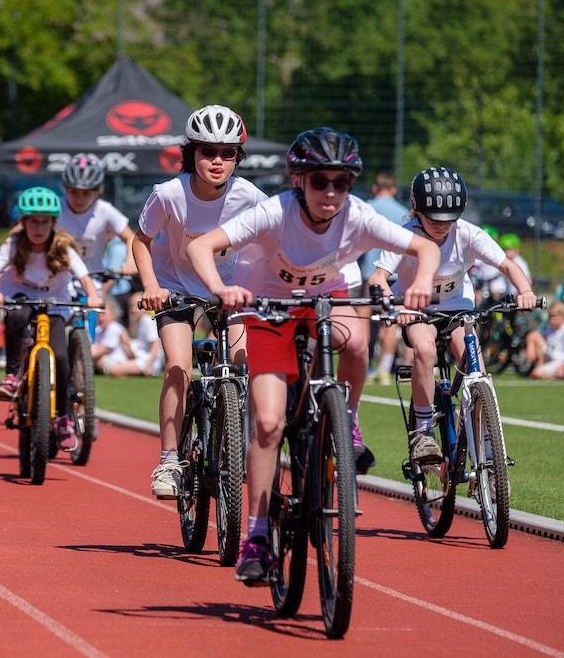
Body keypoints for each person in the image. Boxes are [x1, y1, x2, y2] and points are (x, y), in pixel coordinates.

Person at [186, 127, 440, 585]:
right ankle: (258, 537)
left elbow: (424, 245)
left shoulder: (357, 215)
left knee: (358, 341)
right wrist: (223, 289)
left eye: (341, 182)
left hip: (323, 300)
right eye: (319, 180)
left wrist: (421, 281)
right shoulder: (273, 213)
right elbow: (200, 245)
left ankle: (348, 422)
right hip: (267, 307)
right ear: (298, 179)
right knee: (266, 423)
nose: (330, 192)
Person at [133, 104, 269, 499]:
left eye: (228, 154)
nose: (217, 161)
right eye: (207, 151)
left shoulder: (250, 196)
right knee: (178, 367)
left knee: (244, 368)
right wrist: (150, 285)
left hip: (230, 290)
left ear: (237, 159)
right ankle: (169, 459)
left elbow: (272, 242)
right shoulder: (168, 195)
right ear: (190, 153)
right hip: (176, 287)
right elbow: (140, 241)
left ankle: (231, 439)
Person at [370, 166, 537, 464]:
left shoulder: (468, 234)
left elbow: (508, 266)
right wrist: (393, 307)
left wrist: (525, 291)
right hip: (417, 310)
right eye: (433, 218)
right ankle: (422, 431)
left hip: (457, 309)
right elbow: (378, 277)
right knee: (424, 348)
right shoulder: (404, 236)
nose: (441, 226)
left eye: (448, 219)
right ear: (416, 209)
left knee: (477, 369)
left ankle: (485, 443)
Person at [0, 186, 101, 451]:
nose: (39, 227)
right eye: (33, 221)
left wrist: (93, 296)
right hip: (20, 296)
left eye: (44, 222)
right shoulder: (13, 244)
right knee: (16, 316)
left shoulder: (62, 245)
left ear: (53, 223)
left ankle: (62, 417)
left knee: (61, 355)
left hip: (55, 303)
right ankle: (11, 375)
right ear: (23, 222)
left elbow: (84, 278)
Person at [57, 153, 137, 335]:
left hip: (93, 280)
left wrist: (130, 262)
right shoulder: (57, 208)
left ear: (96, 191)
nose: (79, 198)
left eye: (86, 193)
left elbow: (131, 237)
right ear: (65, 188)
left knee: (87, 334)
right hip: (60, 280)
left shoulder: (104, 210)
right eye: (73, 192)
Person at [356, 173, 411, 387]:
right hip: (394, 273)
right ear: (394, 189)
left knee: (364, 322)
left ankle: (365, 367)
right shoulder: (404, 212)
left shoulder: (366, 207)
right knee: (391, 322)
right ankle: (384, 370)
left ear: (374, 188)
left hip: (370, 273)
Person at [93, 293, 163, 378]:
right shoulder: (139, 322)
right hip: (141, 359)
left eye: (137, 306)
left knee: (112, 369)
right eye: (131, 306)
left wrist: (149, 365)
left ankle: (131, 372)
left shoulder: (147, 321)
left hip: (147, 361)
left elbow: (156, 345)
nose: (133, 310)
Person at [523, 300, 564, 380]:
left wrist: (563, 367)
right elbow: (535, 335)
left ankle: (558, 376)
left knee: (536, 373)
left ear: (562, 316)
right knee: (533, 337)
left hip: (561, 362)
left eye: (554, 317)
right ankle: (538, 365)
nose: (552, 320)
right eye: (550, 317)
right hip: (550, 358)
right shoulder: (551, 329)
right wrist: (530, 347)